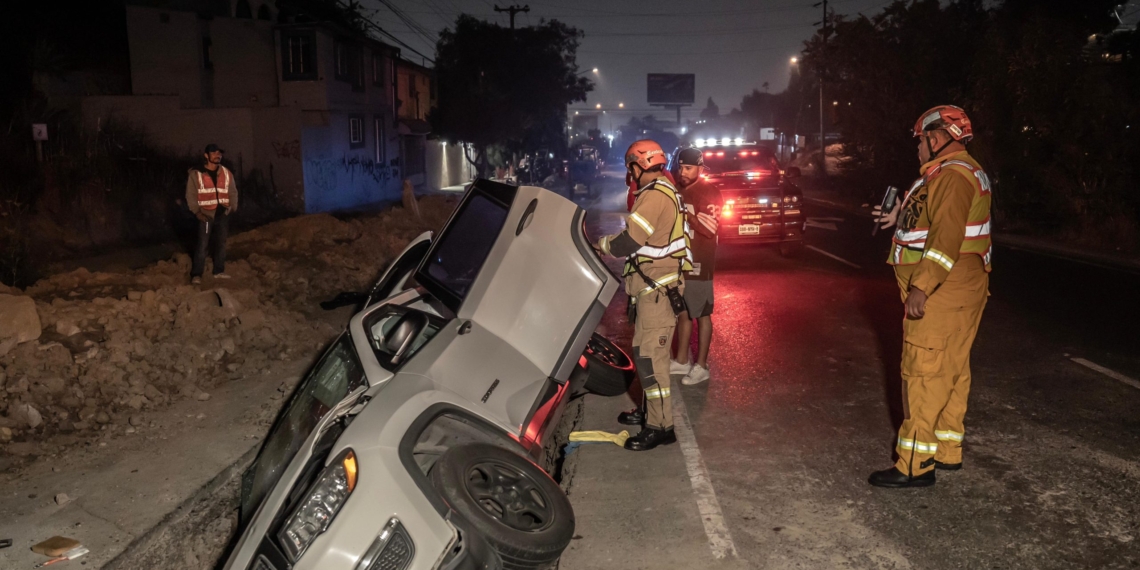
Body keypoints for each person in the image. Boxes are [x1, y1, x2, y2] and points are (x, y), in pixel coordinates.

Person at [869, 105, 992, 488]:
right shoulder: (949, 173)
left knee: (922, 372)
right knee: (951, 369)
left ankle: (914, 465)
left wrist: (923, 285)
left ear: (936, 139)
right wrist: (897, 218)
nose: (918, 148)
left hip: (943, 287)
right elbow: (932, 221)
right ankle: (945, 451)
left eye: (920, 141)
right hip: (960, 286)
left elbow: (946, 238)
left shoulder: (953, 176)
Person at [595, 140, 692, 451]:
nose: (630, 173)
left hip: (658, 292)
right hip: (654, 289)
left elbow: (629, 241)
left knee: (652, 361)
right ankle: (649, 412)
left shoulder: (653, 197)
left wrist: (601, 245)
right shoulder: (664, 189)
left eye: (631, 168)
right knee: (645, 355)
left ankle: (660, 427)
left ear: (638, 166)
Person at [669, 147, 722, 385]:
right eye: (681, 167)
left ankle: (701, 365)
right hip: (680, 260)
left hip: (700, 259)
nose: (683, 172)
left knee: (701, 313)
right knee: (682, 311)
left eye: (688, 167)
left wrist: (685, 213)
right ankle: (681, 361)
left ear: (700, 168)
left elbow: (710, 229)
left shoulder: (709, 192)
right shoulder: (677, 189)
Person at [186, 143, 238, 284]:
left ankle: (219, 271)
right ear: (206, 155)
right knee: (203, 245)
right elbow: (191, 195)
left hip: (222, 215)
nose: (217, 155)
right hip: (206, 216)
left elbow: (232, 191)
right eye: (214, 153)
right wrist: (197, 212)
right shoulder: (196, 174)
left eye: (219, 153)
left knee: (221, 244)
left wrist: (232, 207)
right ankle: (197, 274)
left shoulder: (226, 173)